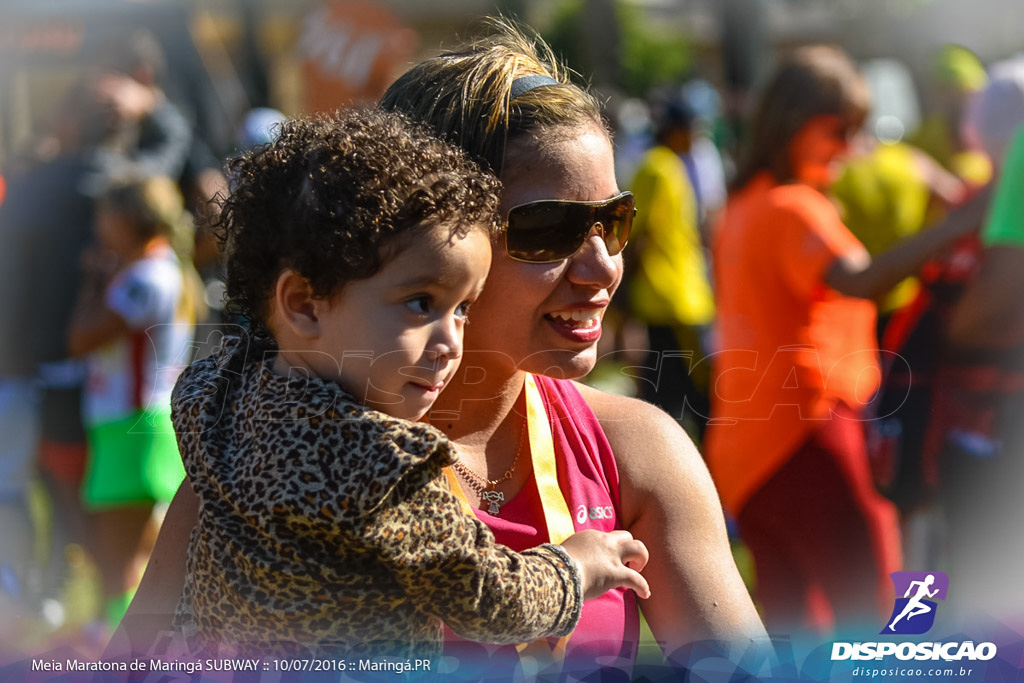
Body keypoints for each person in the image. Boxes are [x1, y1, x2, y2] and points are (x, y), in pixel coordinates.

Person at [112, 18, 768, 679]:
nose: (601, 268)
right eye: (549, 230)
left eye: (612, 221)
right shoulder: (262, 453)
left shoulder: (637, 453)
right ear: (417, 235)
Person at [168, 106, 651, 661]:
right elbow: (488, 597)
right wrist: (575, 566)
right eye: (422, 303)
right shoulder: (380, 464)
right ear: (303, 303)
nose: (450, 340)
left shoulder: (218, 397)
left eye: (464, 309)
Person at [705, 45, 989, 638]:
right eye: (839, 129)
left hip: (743, 450)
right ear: (793, 122)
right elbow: (862, 279)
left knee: (796, 627)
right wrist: (962, 221)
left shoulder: (742, 203)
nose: (850, 147)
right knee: (884, 610)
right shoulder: (792, 207)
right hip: (806, 433)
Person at [67, 173, 199, 631]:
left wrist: (94, 280)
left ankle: (122, 646)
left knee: (121, 551)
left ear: (129, 218)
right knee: (134, 551)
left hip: (133, 424)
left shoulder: (146, 274)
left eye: (106, 213)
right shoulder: (158, 268)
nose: (99, 223)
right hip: (132, 424)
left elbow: (83, 337)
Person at [626, 95, 715, 437]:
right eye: (691, 130)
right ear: (674, 131)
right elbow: (639, 232)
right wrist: (623, 285)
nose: (695, 138)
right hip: (671, 297)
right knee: (691, 395)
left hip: (675, 296)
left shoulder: (668, 166)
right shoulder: (657, 168)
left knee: (671, 391)